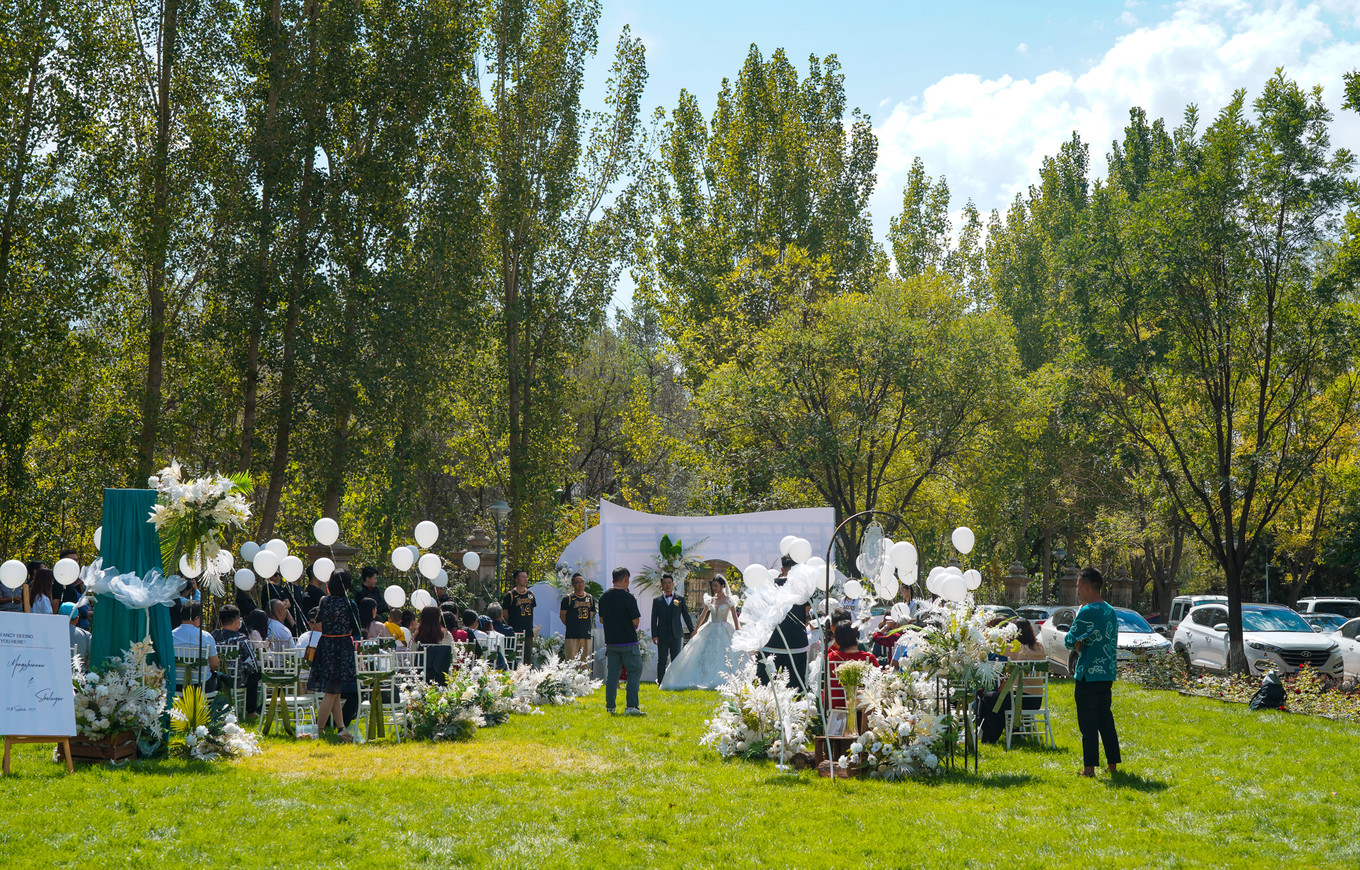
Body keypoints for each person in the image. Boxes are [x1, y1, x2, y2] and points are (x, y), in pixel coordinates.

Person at [1065, 567, 1121, 777]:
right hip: (1106, 673)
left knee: (1088, 723)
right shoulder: (1110, 611)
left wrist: (1079, 644)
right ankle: (1112, 764)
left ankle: (1089, 769)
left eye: (1079, 586)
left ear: (1087, 587)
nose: (1078, 591)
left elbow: (1069, 639)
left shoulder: (1087, 611)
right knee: (1105, 720)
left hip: (1088, 674)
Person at [661, 576, 744, 691]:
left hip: (724, 629)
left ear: (722, 586)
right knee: (704, 653)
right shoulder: (710, 600)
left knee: (724, 654)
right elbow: (703, 615)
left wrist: (737, 631)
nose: (714, 587)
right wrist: (695, 630)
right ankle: (702, 676)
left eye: (716, 585)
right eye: (713, 585)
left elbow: (735, 618)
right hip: (711, 627)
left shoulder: (729, 601)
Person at [310, 575, 359, 742]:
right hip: (342, 646)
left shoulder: (324, 601)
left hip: (327, 645)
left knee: (335, 691)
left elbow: (320, 621)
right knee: (331, 692)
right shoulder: (349, 604)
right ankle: (318, 729)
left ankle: (341, 727)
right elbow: (356, 627)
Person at [758, 556, 812, 692]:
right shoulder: (803, 588)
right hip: (796, 642)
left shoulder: (771, 586)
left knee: (767, 685)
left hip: (771, 642)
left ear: (782, 569)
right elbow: (807, 614)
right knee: (796, 684)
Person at [599, 566, 643, 715]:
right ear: (625, 579)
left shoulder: (604, 597)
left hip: (611, 642)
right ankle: (631, 707)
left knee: (612, 675)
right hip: (628, 642)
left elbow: (601, 619)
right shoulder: (628, 598)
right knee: (633, 673)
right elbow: (635, 622)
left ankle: (610, 706)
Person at [213, 604, 261, 715]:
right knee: (256, 672)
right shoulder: (241, 639)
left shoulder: (212, 636)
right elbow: (253, 665)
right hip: (236, 680)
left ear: (221, 622)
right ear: (237, 621)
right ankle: (251, 711)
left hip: (216, 677)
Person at [651, 573, 695, 685]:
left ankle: (675, 681)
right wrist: (654, 635)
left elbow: (686, 616)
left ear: (673, 584)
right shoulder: (657, 601)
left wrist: (692, 630)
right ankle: (661, 682)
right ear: (662, 585)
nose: (667, 585)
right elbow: (653, 619)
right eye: (665, 583)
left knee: (676, 660)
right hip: (662, 635)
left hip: (676, 634)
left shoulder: (680, 599)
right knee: (662, 660)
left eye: (669, 583)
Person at [825, 621, 879, 709]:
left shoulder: (830, 658)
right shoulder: (868, 658)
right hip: (862, 706)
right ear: (857, 636)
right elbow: (877, 684)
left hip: (835, 705)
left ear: (837, 639)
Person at [170, 602, 220, 691]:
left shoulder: (171, 635)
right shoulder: (205, 636)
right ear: (196, 618)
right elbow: (215, 665)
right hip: (201, 685)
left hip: (176, 685)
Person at [501, 569, 537, 662]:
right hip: (515, 630)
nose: (525, 579)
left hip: (528, 630)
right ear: (516, 580)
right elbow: (505, 612)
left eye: (526, 577)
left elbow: (532, 609)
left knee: (527, 658)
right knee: (515, 657)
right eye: (523, 577)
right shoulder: (510, 595)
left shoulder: (530, 594)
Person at [559, 573, 596, 664]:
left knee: (584, 662)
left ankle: (583, 678)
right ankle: (569, 678)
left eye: (582, 582)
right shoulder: (568, 598)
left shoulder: (590, 598)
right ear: (573, 585)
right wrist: (571, 625)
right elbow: (562, 616)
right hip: (572, 635)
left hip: (586, 634)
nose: (581, 584)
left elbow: (590, 614)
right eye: (577, 582)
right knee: (570, 661)